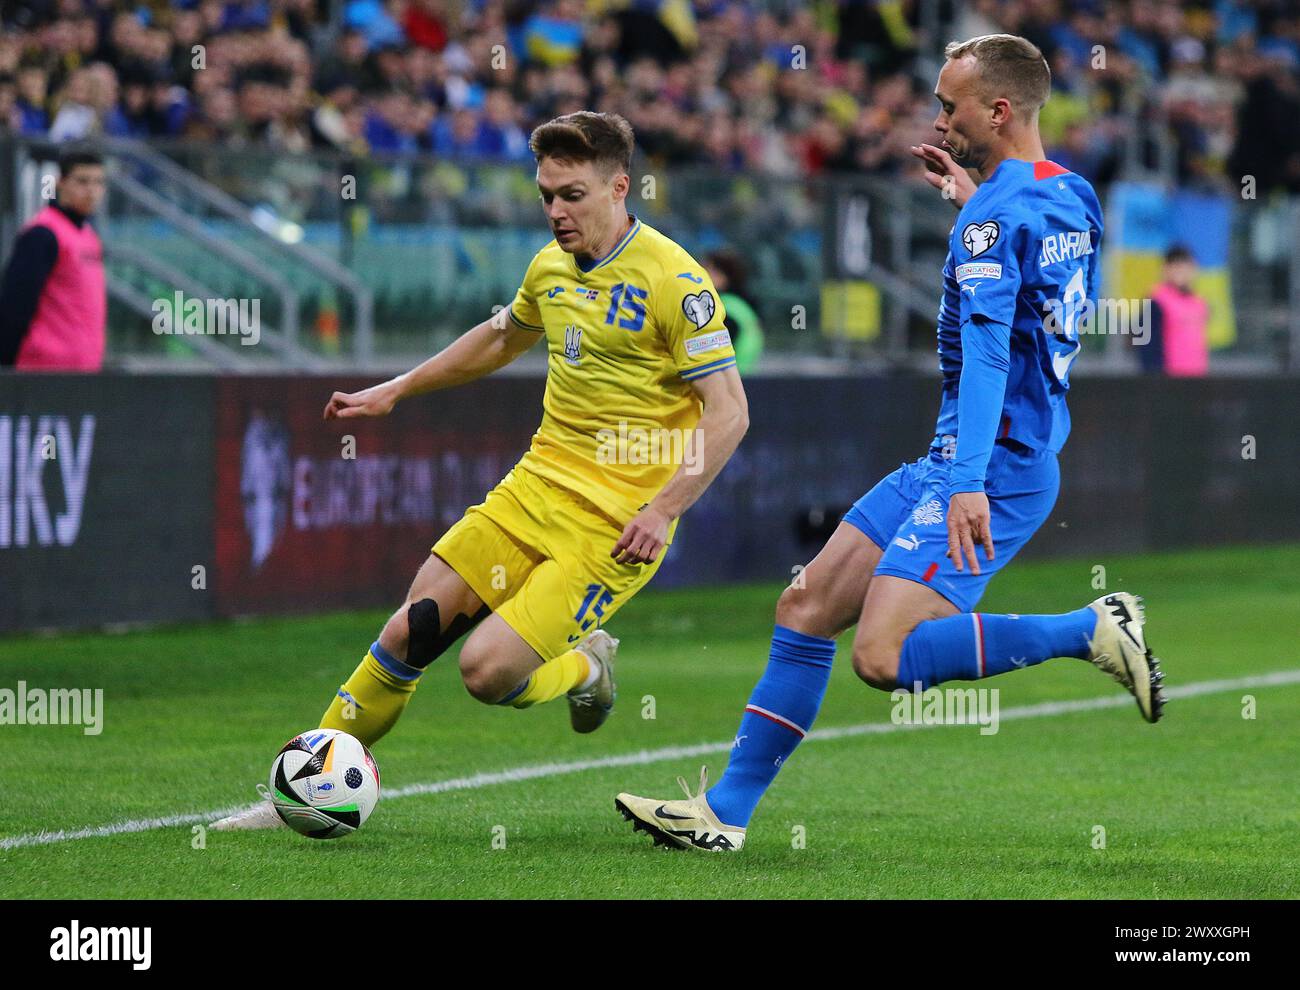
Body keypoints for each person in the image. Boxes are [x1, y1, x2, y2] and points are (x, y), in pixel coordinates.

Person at [615, 34, 1165, 853]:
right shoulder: (1071, 195)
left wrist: (970, 480)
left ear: (998, 110)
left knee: (883, 655)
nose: (940, 120)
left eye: (951, 106)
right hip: (958, 458)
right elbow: (1029, 286)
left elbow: (984, 354)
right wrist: (975, 202)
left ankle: (1088, 629)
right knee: (804, 608)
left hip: (989, 466)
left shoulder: (997, 214)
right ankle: (724, 815)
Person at [214, 111, 749, 830]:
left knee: (486, 674)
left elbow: (729, 412)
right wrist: (396, 388)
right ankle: (296, 798)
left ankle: (589, 669)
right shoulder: (549, 268)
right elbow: (499, 340)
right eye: (546, 195)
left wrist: (664, 508)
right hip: (534, 489)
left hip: (614, 525)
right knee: (413, 631)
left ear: (621, 187)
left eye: (573, 195)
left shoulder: (674, 279)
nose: (557, 212)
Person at [0, 148, 106, 371]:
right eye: (82, 181)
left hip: (83, 373)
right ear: (61, 183)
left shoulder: (88, 235)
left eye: (98, 182)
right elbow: (15, 306)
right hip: (42, 375)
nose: (91, 191)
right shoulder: (43, 234)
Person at [1140, 245, 1209, 377]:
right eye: (1176, 267)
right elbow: (1148, 348)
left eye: (1186, 267)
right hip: (1168, 381)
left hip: (1197, 379)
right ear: (1165, 269)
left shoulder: (1199, 303)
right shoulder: (1156, 301)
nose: (1182, 272)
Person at [706, 250, 764, 374]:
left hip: (727, 380)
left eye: (707, 271)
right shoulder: (742, 306)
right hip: (746, 378)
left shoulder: (722, 309)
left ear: (722, 276)